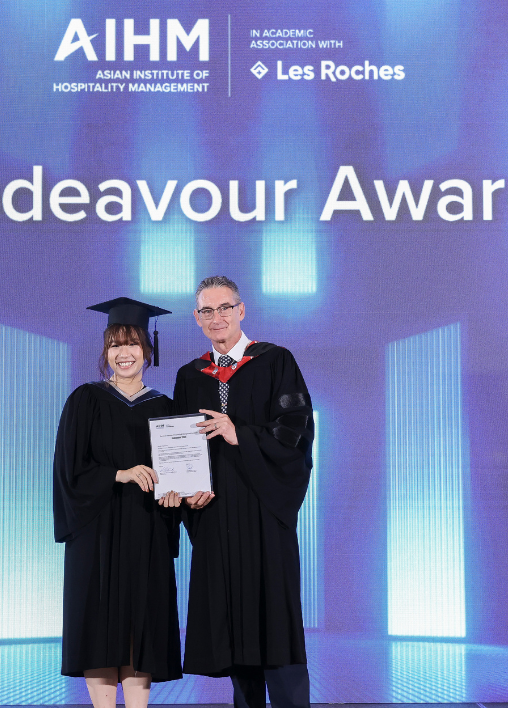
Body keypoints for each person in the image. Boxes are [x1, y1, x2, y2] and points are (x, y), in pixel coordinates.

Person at [173, 276, 315, 708]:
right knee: (235, 630)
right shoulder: (190, 376)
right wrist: (186, 490)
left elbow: (295, 432)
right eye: (207, 311)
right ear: (197, 319)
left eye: (224, 308)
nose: (217, 317)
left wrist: (241, 434)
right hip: (216, 519)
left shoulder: (276, 361)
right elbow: (180, 447)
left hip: (263, 515)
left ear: (241, 310)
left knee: (275, 622)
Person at [53, 297, 184, 708]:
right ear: (105, 352)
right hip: (96, 531)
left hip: (147, 531)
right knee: (98, 626)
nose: (123, 354)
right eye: (114, 345)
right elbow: (68, 472)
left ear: (148, 350)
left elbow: (177, 474)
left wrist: (178, 493)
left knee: (139, 627)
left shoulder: (165, 409)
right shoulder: (85, 400)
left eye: (132, 344)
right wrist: (119, 473)